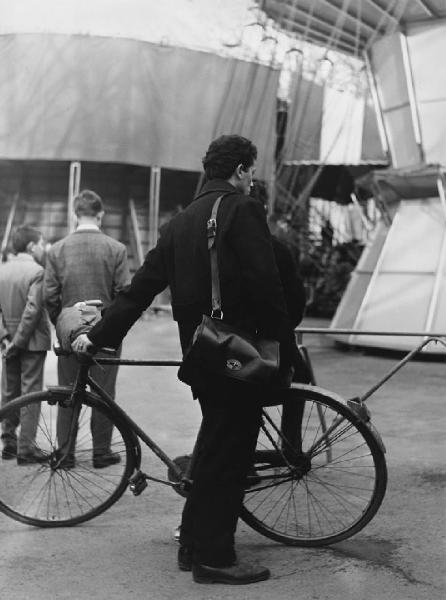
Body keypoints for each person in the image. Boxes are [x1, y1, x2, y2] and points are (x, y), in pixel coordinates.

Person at [73, 135, 297, 585]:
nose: (251, 180)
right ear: (239, 170)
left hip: (201, 356)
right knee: (228, 458)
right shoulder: (242, 210)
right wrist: (284, 348)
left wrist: (97, 336)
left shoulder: (178, 224)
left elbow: (138, 292)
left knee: (213, 450)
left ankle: (193, 543)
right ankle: (215, 557)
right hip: (240, 356)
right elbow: (267, 286)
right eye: (250, 171)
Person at [44, 189, 130, 469]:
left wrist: (65, 322)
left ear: (74, 215)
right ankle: (101, 452)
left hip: (70, 335)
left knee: (69, 392)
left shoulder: (57, 250)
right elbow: (123, 295)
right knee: (104, 395)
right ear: (101, 215)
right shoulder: (116, 249)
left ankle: (66, 454)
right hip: (106, 335)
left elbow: (50, 297)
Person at [0, 225, 51, 464]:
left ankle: (8, 442)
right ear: (31, 246)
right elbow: (32, 311)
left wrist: (5, 339)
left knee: (9, 391)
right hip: (30, 342)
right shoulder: (38, 272)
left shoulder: (2, 269)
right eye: (41, 243)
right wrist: (19, 342)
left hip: (7, 341)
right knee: (30, 393)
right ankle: (26, 449)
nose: (43, 248)